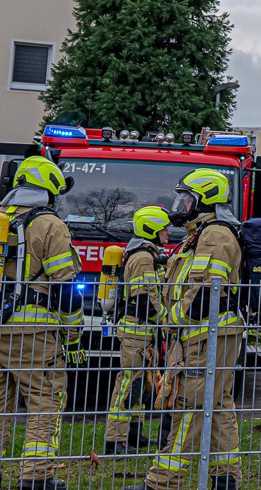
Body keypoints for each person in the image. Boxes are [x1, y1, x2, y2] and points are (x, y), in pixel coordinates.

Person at [0, 154, 84, 490]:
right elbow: (65, 288)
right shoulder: (51, 226)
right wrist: (73, 335)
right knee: (45, 402)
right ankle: (36, 478)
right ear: (48, 192)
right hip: (33, 335)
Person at [129, 169, 243, 490]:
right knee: (217, 406)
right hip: (202, 335)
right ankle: (226, 478)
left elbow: (205, 295)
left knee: (191, 407)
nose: (179, 206)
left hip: (208, 336)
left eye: (186, 199)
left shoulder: (215, 235)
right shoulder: (198, 235)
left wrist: (171, 319)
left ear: (205, 201)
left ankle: (161, 483)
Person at [105, 206, 170, 456]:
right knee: (128, 386)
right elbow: (146, 300)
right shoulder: (143, 258)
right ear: (151, 229)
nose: (167, 233)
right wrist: (168, 321)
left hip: (145, 332)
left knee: (141, 386)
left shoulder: (148, 254)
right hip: (138, 332)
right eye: (163, 228)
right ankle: (115, 441)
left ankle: (134, 434)